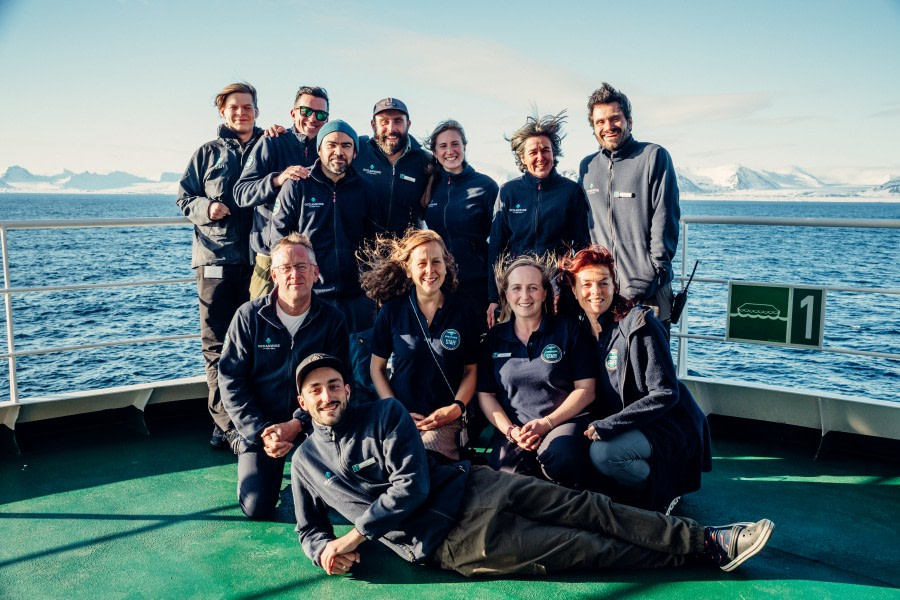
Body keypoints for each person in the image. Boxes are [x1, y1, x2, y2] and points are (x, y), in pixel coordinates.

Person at [290, 352, 775, 577]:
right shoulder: (307, 460)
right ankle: (694, 555)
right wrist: (324, 553)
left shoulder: (385, 414)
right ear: (303, 400)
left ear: (348, 389)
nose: (327, 394)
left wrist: (354, 536)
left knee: (590, 508)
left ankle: (709, 540)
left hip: (475, 487)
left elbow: (411, 487)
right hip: (452, 544)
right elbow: (308, 528)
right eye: (316, 389)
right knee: (586, 549)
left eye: (334, 384)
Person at [557, 244, 711, 513]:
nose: (596, 292)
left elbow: (665, 393)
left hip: (664, 424)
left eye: (604, 283)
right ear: (574, 289)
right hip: (624, 421)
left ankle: (664, 486)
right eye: (587, 284)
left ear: (614, 284)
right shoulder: (581, 331)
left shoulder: (639, 325)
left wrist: (610, 425)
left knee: (603, 454)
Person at [218, 233, 349, 519]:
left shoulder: (332, 320)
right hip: (261, 426)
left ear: (315, 273)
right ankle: (243, 445)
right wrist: (260, 431)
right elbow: (230, 380)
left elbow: (342, 383)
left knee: (339, 497)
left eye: (302, 267)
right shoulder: (249, 317)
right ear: (274, 275)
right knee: (256, 507)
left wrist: (297, 424)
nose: (294, 274)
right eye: (286, 268)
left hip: (314, 423)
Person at [176, 82, 264, 449]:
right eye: (234, 108)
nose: (241, 113)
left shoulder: (268, 147)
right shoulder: (206, 154)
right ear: (222, 112)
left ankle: (253, 415)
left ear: (257, 110)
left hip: (260, 261)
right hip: (216, 261)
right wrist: (206, 209)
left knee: (256, 343)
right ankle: (224, 423)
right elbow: (184, 197)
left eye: (247, 107)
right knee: (217, 345)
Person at [268, 120, 380, 403]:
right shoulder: (298, 187)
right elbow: (279, 241)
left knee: (362, 376)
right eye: (331, 144)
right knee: (314, 373)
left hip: (358, 299)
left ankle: (363, 436)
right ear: (319, 149)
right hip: (314, 298)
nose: (338, 151)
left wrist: (372, 288)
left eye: (346, 145)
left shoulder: (366, 189)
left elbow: (376, 243)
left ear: (355, 152)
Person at [477, 256, 596, 489]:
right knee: (504, 477)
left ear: (544, 293)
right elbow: (486, 395)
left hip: (562, 423)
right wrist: (511, 431)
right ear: (506, 294)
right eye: (517, 288)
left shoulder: (568, 330)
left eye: (533, 288)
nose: (525, 296)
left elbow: (586, 390)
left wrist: (547, 423)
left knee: (559, 457)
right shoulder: (494, 338)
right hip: (516, 429)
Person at [360, 229, 479, 460]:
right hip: (401, 416)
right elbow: (376, 368)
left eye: (436, 262)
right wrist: (395, 409)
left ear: (446, 265)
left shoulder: (464, 311)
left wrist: (456, 408)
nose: (430, 270)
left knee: (426, 456)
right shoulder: (391, 311)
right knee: (392, 458)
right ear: (409, 269)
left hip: (446, 419)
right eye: (421, 263)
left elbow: (471, 370)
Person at [578, 83, 680, 328]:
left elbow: (665, 220)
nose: (608, 126)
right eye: (600, 122)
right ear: (593, 128)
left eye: (615, 118)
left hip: (649, 293)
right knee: (606, 364)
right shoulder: (587, 167)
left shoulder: (653, 156)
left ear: (629, 121)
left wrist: (648, 276)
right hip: (603, 294)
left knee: (651, 363)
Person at [487, 111, 590, 327]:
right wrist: (494, 297)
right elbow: (496, 248)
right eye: (533, 152)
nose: (540, 157)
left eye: (546, 150)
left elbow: (581, 246)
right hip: (519, 289)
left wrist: (576, 289)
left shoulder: (570, 192)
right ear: (522, 158)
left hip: (557, 289)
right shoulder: (509, 192)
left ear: (554, 154)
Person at [233, 85, 330, 299]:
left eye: (321, 114)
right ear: (293, 113)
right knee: (263, 322)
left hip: (316, 258)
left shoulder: (330, 148)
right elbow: (241, 193)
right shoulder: (272, 142)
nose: (312, 118)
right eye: (306, 111)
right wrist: (277, 180)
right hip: (272, 256)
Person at [423, 119, 499, 318]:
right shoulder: (430, 186)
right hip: (440, 285)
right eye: (443, 146)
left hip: (476, 285)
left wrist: (495, 294)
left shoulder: (485, 186)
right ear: (435, 152)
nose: (450, 151)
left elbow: (500, 242)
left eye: (455, 144)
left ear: (464, 146)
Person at [356, 97, 431, 237]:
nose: (391, 129)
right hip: (361, 254)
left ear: (408, 124)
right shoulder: (357, 151)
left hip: (406, 254)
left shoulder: (425, 161)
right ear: (373, 125)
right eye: (384, 122)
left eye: (398, 121)